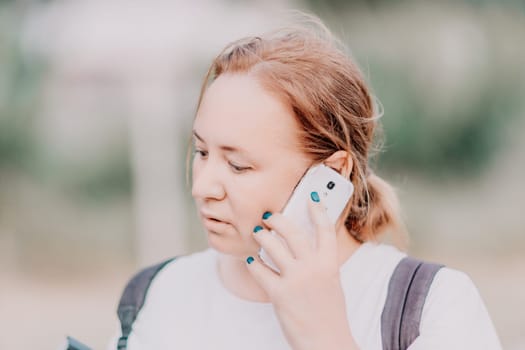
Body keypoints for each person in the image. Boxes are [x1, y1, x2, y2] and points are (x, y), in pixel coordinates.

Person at [109, 16, 501, 350]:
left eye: (238, 165)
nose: (202, 188)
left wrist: (326, 337)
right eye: (202, 152)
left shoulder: (429, 304)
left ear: (332, 173)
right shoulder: (154, 294)